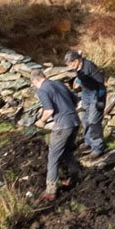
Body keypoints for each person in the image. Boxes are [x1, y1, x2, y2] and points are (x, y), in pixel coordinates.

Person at [34, 64, 80, 201]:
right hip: (75, 122)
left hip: (63, 126)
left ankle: (50, 191)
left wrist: (41, 121)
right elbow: (75, 100)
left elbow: (49, 110)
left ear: (35, 81)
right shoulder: (58, 84)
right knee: (66, 151)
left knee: (53, 157)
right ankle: (76, 176)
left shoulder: (42, 90)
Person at [63, 49, 109, 166]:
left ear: (77, 60)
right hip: (86, 93)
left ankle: (97, 148)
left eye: (72, 64)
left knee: (94, 121)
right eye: (69, 65)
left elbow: (100, 82)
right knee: (84, 119)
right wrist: (79, 81)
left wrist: (99, 100)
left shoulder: (90, 66)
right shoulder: (78, 67)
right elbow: (81, 76)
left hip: (97, 93)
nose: (71, 67)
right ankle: (88, 141)